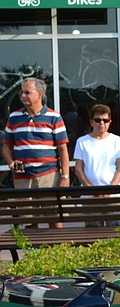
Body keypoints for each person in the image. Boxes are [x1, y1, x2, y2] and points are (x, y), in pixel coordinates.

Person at [2, 78, 70, 229]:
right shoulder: (14, 117)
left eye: (27, 92)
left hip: (49, 176)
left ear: (39, 94)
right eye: (21, 92)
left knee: (54, 220)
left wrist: (65, 176)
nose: (22, 96)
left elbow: (62, 149)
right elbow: (6, 147)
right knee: (29, 222)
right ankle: (33, 253)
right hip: (23, 177)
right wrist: (11, 163)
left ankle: (57, 251)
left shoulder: (54, 117)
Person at [73, 104, 120, 227]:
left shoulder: (116, 140)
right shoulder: (82, 142)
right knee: (92, 232)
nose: (101, 123)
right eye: (97, 120)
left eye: (105, 120)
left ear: (110, 122)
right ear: (91, 122)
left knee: (116, 231)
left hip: (114, 195)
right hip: (90, 197)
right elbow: (78, 169)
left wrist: (111, 190)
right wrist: (91, 189)